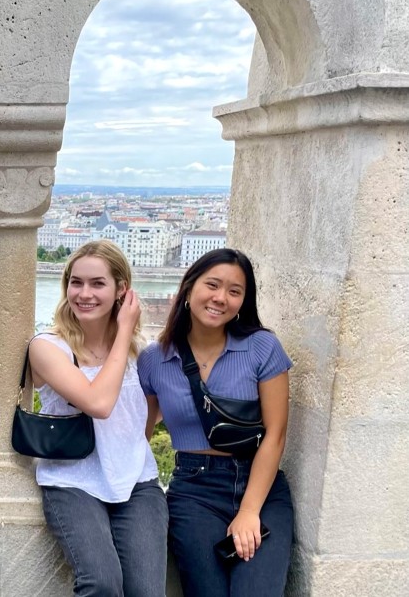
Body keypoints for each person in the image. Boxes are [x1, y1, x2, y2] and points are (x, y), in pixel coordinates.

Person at [137, 248, 293, 597]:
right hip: (194, 491)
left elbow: (276, 434)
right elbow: (139, 437)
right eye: (213, 285)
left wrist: (250, 510)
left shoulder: (261, 348)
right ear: (190, 286)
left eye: (235, 291)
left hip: (261, 486)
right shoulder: (154, 359)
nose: (221, 298)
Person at [27, 240, 166, 596]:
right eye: (76, 282)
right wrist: (124, 334)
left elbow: (146, 420)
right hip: (72, 480)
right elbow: (98, 402)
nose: (84, 293)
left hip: (137, 481)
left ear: (121, 289)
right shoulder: (48, 347)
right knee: (102, 583)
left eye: (97, 283)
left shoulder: (143, 354)